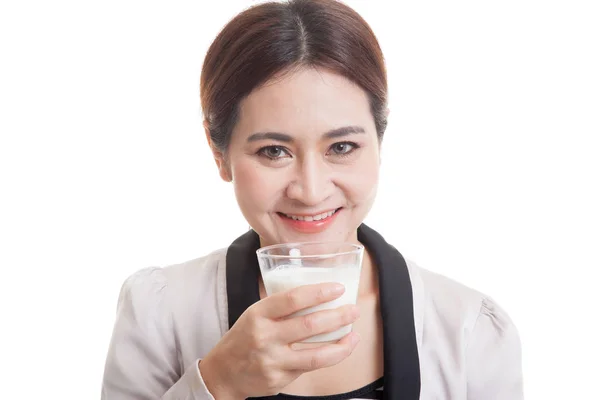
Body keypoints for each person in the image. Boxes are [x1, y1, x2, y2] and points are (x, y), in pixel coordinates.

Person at [101, 0, 523, 398]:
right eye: (273, 151)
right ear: (220, 154)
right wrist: (218, 381)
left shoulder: (471, 331)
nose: (310, 190)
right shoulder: (159, 313)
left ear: (379, 141)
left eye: (341, 147)